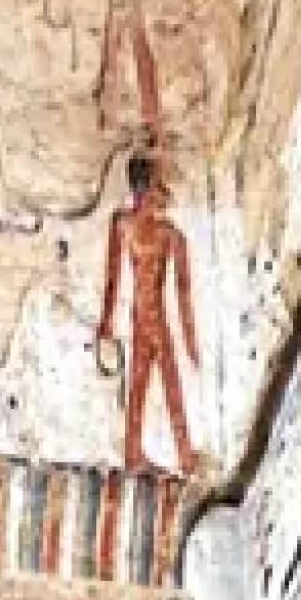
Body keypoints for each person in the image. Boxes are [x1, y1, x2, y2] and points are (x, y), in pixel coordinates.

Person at [97, 155, 201, 476]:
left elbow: (182, 290)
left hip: (144, 315)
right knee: (162, 383)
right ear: (144, 191)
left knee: (145, 383)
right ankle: (179, 456)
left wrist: (190, 339)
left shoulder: (165, 233)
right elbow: (113, 277)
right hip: (150, 318)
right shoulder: (136, 227)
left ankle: (139, 452)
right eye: (157, 186)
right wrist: (105, 323)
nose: (162, 193)